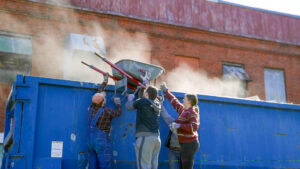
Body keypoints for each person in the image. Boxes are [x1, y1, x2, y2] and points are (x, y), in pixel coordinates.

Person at [160, 82, 200, 169]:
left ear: (189, 101)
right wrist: (166, 91)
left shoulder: (192, 113)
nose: (183, 100)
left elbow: (194, 127)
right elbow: (175, 102)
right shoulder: (183, 110)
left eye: (184, 98)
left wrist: (179, 126)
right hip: (184, 145)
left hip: (189, 145)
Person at [87, 74, 122, 169]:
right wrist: (118, 103)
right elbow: (118, 113)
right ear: (103, 103)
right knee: (104, 165)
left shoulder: (91, 107)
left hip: (90, 142)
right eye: (104, 99)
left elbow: (98, 95)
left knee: (92, 165)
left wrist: (105, 82)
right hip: (101, 142)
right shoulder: (107, 111)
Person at [126, 86, 162, 169]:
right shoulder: (157, 104)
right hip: (156, 139)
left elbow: (129, 106)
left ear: (146, 94)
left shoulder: (142, 102)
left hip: (145, 139)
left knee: (144, 166)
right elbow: (146, 104)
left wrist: (130, 99)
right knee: (153, 166)